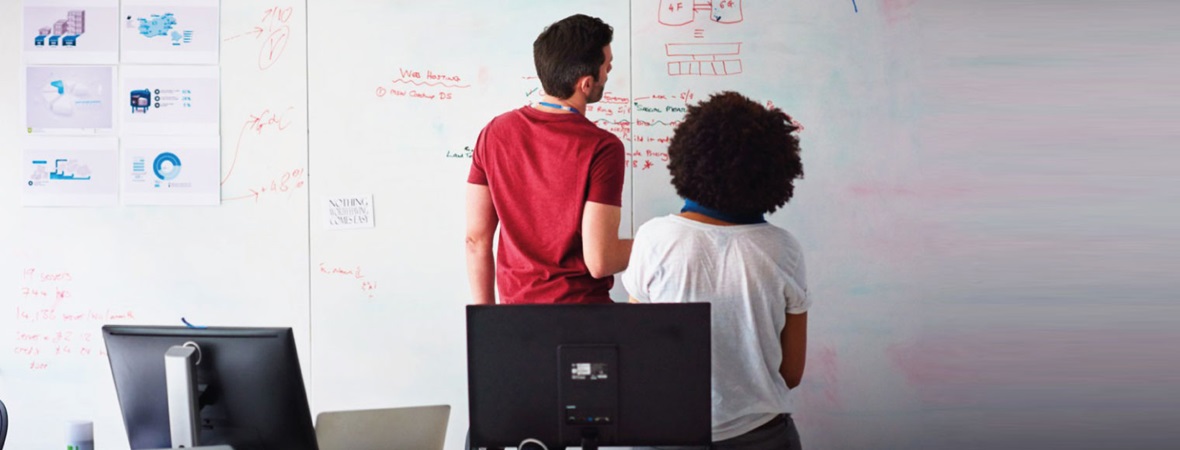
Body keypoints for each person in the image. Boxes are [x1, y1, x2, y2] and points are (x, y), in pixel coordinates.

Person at [623, 91, 809, 449]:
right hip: (763, 437)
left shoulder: (654, 238)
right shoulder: (784, 249)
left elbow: (639, 353)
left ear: (687, 158)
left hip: (667, 433)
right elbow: (791, 372)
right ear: (776, 171)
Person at [465, 14, 632, 305]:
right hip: (584, 322)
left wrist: (486, 325)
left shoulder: (494, 133)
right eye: (607, 66)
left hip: (517, 324)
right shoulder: (603, 147)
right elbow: (601, 260)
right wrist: (659, 243)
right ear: (586, 83)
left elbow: (476, 240)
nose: (608, 73)